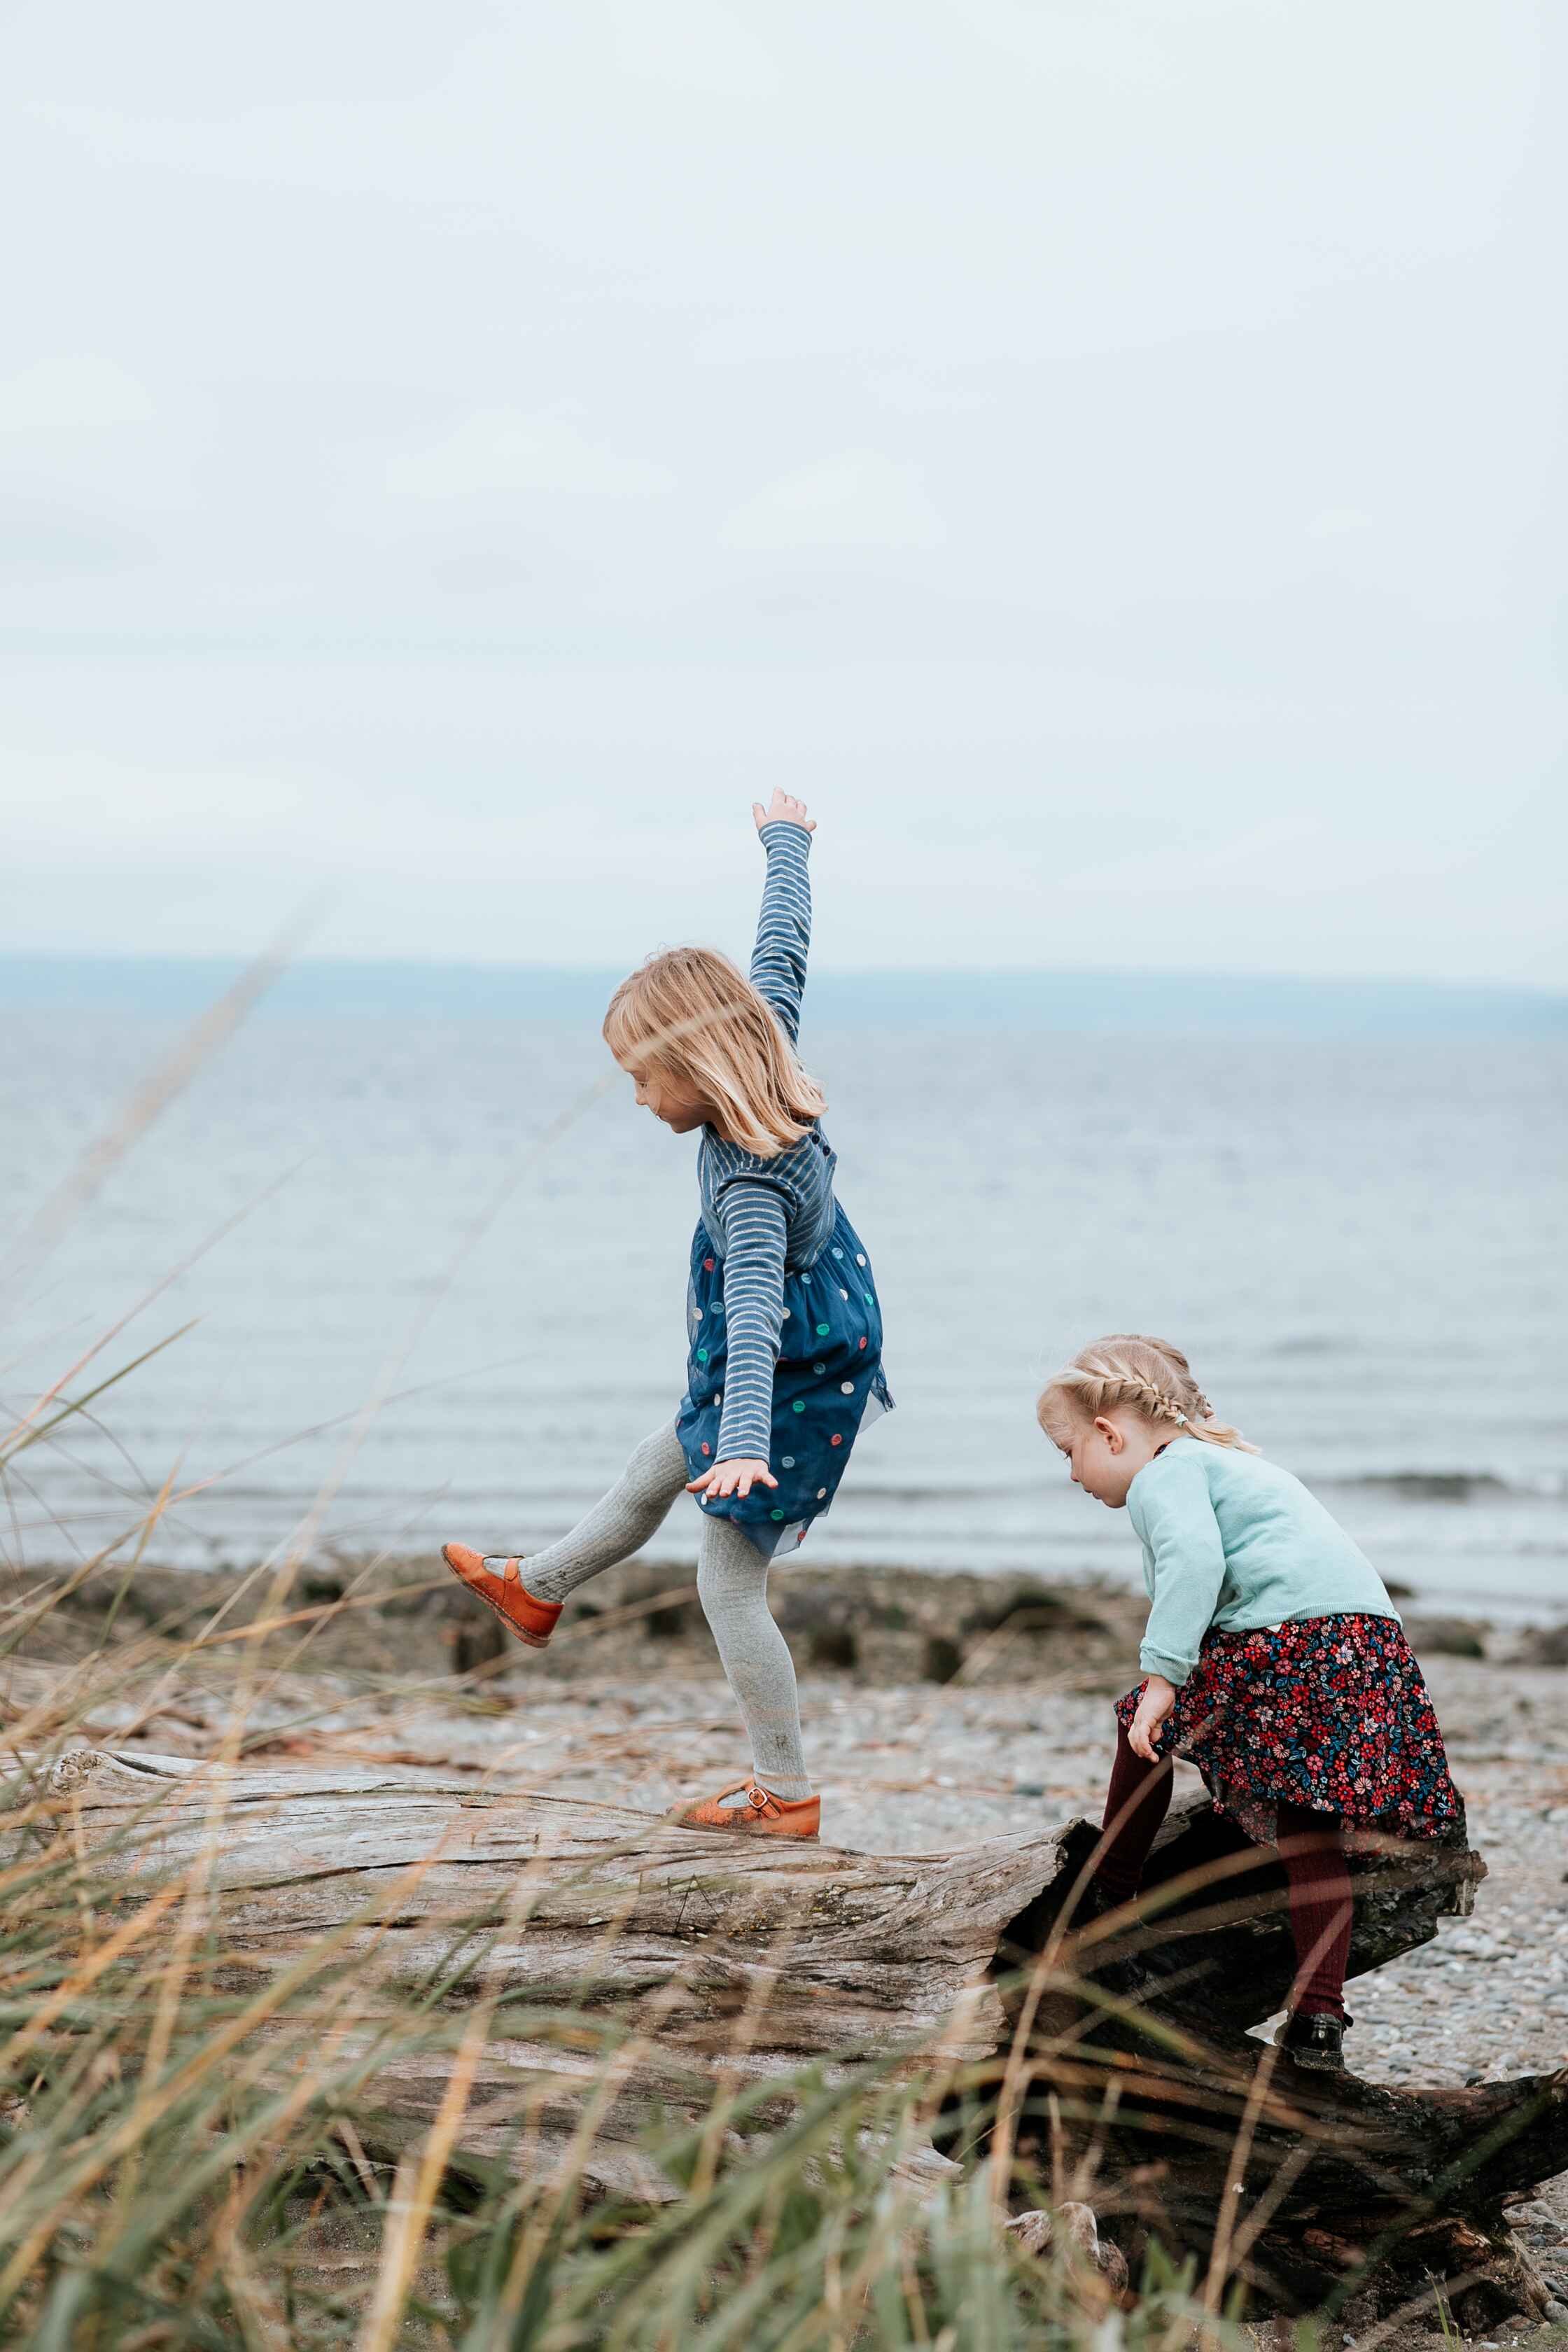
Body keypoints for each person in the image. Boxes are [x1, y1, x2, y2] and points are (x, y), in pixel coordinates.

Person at [442, 790, 891, 1838]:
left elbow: (750, 1320)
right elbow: (781, 944)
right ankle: (538, 1588)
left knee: (728, 1584)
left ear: (699, 1068)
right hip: (820, 1338)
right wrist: (787, 846)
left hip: (786, 1377)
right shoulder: (764, 1042)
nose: (638, 1097)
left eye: (645, 1077)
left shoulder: (746, 1193)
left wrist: (741, 1445)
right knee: (656, 1459)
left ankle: (784, 1794)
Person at [1036, 1334, 1460, 2070]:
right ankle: (1318, 2018)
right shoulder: (1236, 1465)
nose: (1069, 1472)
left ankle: (1107, 1893)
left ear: (1110, 1432)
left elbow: (1192, 1566)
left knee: (1140, 1723)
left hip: (1290, 1641)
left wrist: (1163, 1679)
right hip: (1364, 1646)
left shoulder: (1166, 1475)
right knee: (1309, 1830)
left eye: (1068, 1451)